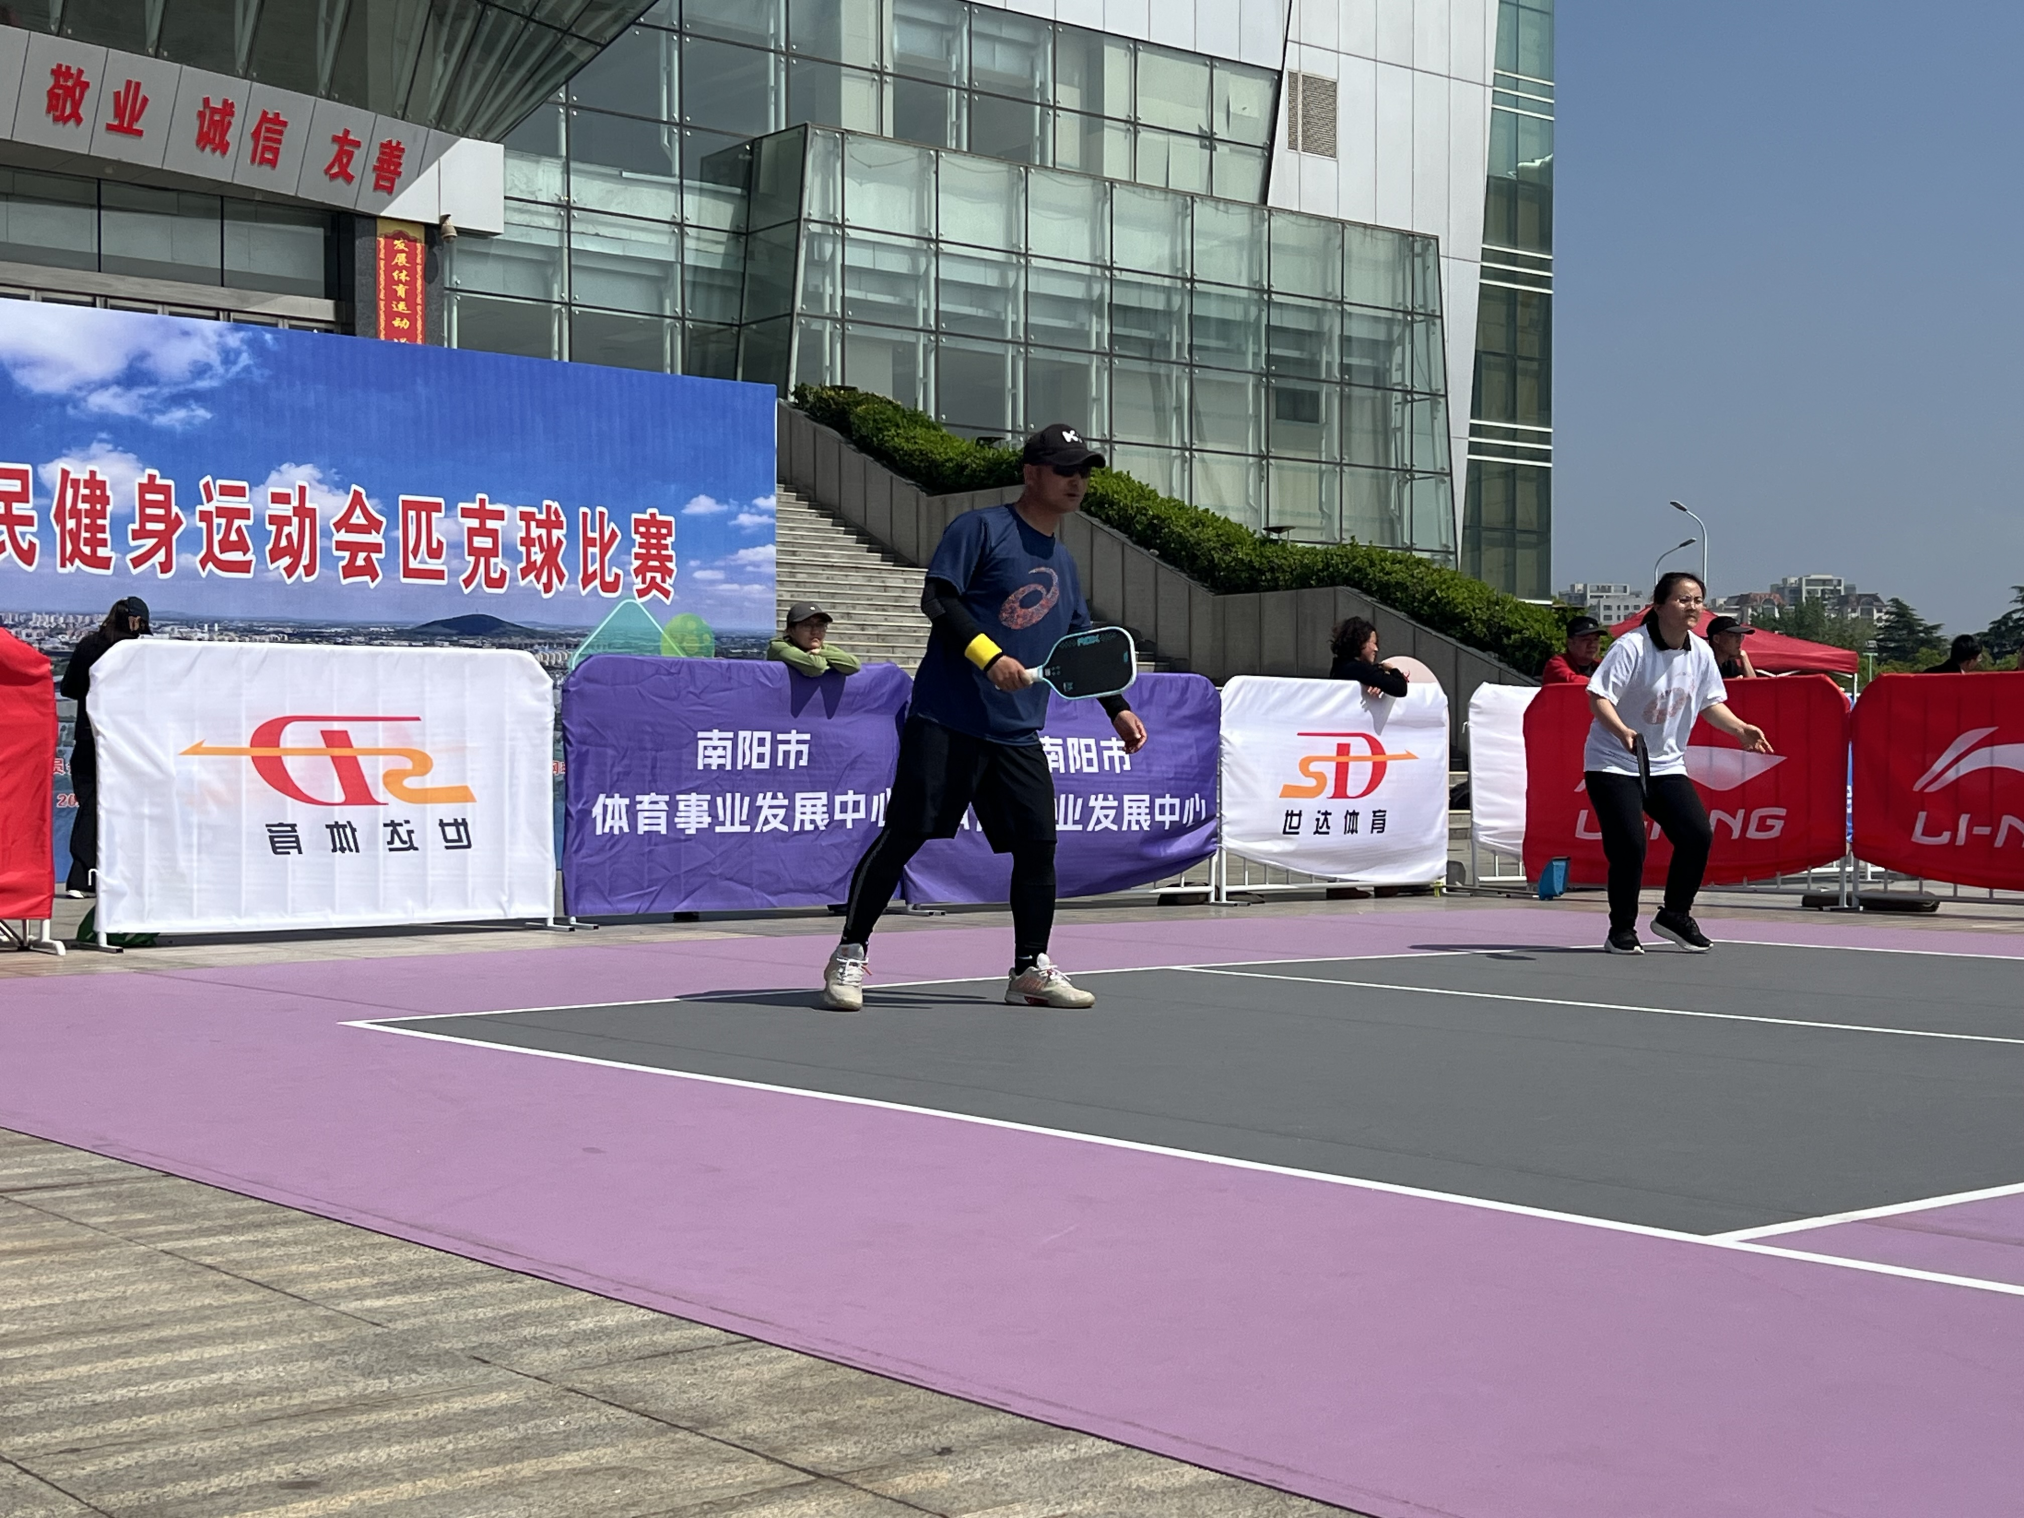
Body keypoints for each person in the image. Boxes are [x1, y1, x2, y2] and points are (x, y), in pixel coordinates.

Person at [821, 423, 1147, 1012]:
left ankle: (1029, 967)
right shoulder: (980, 528)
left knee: (1038, 847)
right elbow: (938, 598)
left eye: (1083, 472)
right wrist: (988, 656)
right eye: (1064, 470)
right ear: (1031, 473)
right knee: (906, 834)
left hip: (1017, 732)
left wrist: (1117, 708)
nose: (1076, 481)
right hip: (947, 719)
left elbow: (1080, 645)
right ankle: (849, 951)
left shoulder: (1064, 561)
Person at [1584, 572, 1772, 955]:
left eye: (1698, 600)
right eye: (1683, 599)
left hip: (1666, 764)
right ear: (1659, 606)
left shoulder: (1700, 653)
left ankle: (1674, 915)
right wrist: (1622, 731)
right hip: (1614, 762)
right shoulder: (1631, 647)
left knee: (1697, 835)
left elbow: (1710, 703)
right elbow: (1599, 697)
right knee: (1630, 845)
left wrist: (1739, 728)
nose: (1692, 606)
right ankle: (1621, 929)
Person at [59, 596, 149, 896]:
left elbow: (69, 687)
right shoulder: (135, 651)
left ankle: (83, 875)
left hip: (88, 736)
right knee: (113, 809)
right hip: (124, 740)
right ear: (135, 621)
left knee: (90, 804)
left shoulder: (89, 645)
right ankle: (99, 875)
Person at [769, 601, 862, 678]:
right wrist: (829, 661)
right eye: (807, 625)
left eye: (820, 625)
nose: (815, 631)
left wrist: (819, 652)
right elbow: (817, 666)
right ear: (791, 631)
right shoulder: (779, 646)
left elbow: (854, 665)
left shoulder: (821, 648)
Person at [1327, 616, 1408, 697]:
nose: (1376, 649)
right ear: (1360, 642)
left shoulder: (1342, 665)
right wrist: (1392, 669)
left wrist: (1379, 683)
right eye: (1373, 643)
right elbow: (1401, 688)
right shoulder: (1357, 668)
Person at [1540, 616, 1605, 685]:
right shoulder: (1556, 664)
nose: (1592, 644)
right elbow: (1572, 682)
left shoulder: (1602, 665)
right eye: (1585, 640)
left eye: (1595, 639)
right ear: (1570, 643)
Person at [1704, 615, 1759, 680]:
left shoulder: (1729, 664)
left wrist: (1744, 657)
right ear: (1716, 639)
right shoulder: (1705, 664)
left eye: (1740, 636)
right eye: (1732, 636)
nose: (1738, 641)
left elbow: (1753, 684)